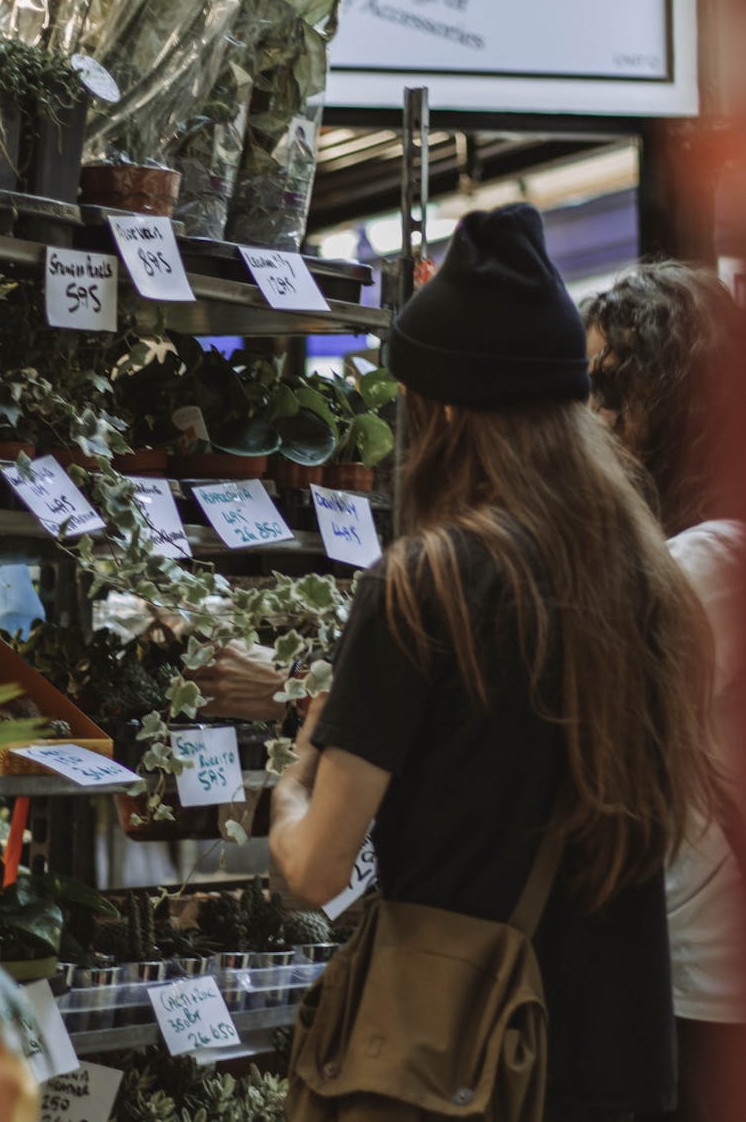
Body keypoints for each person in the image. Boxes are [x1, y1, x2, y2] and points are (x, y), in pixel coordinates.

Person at [269, 204, 717, 1121]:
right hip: (626, 1064)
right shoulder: (655, 590)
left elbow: (317, 870)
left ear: (437, 407)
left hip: (460, 1062)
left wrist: (289, 791)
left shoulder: (424, 585)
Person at [583, 262, 746, 1122]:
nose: (596, 420)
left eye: (613, 390)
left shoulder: (707, 560)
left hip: (701, 985)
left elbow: (589, 712)